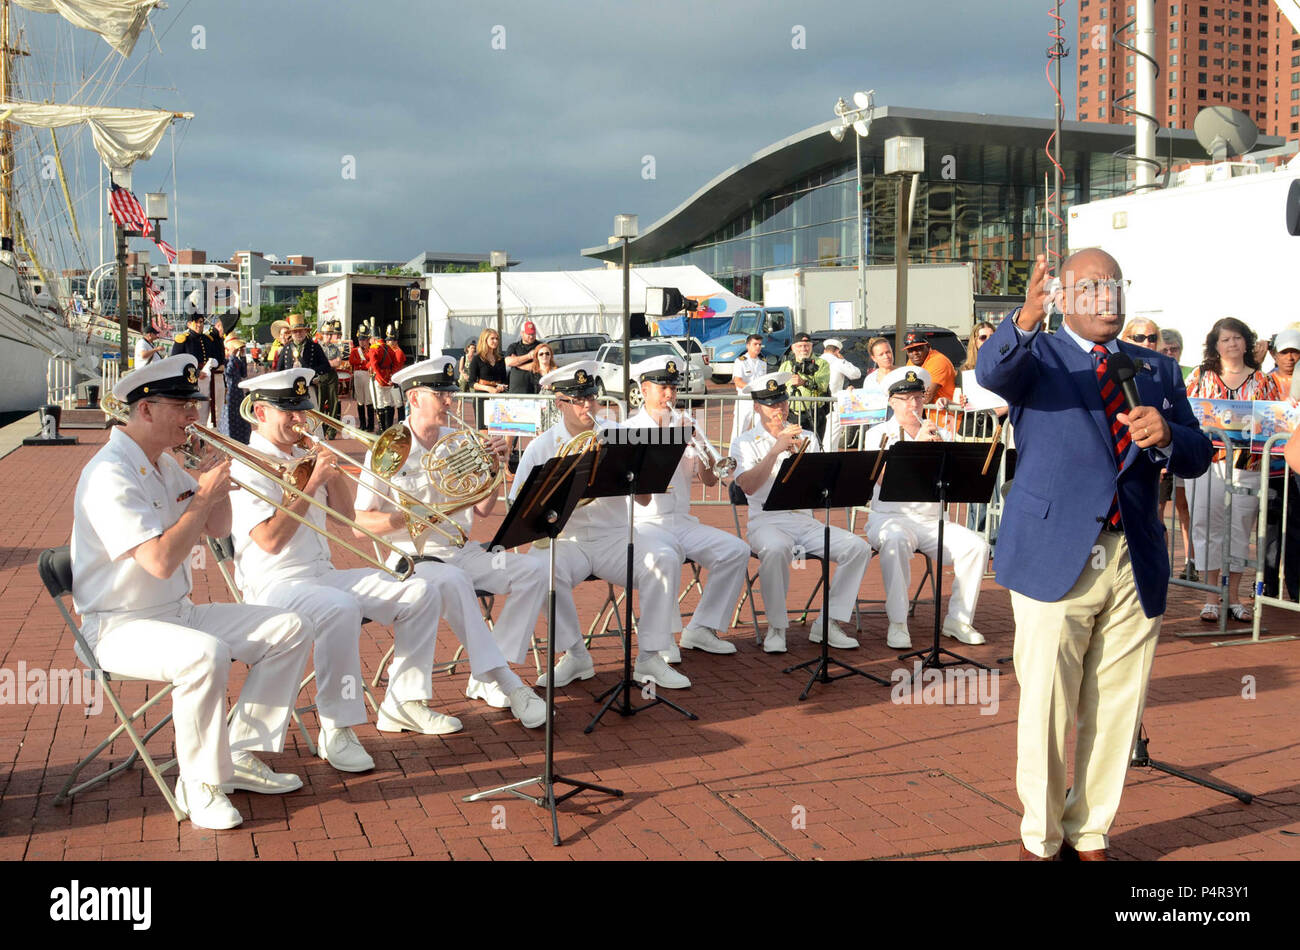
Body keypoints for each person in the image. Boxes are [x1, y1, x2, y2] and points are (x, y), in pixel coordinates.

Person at [976, 249, 1212, 861]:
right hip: (1056, 556)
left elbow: (1198, 452)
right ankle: (1042, 836)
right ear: (1068, 297)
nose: (1107, 297)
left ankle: (1091, 830)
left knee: (1116, 703)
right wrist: (1026, 315)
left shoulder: (1156, 369)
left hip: (1135, 556)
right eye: (1091, 287)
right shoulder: (1038, 356)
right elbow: (991, 372)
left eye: (1115, 285)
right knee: (1049, 703)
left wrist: (1170, 433)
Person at [71, 355, 313, 830]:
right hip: (119, 625)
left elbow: (218, 526)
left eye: (194, 404)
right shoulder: (109, 473)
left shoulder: (162, 462)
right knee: (205, 655)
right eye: (182, 406)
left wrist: (217, 488)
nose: (195, 416)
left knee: (290, 627)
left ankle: (240, 753)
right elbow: (160, 562)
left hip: (175, 612)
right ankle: (198, 781)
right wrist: (201, 497)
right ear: (145, 410)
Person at [352, 357, 547, 728]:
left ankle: (487, 675)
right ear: (413, 399)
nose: (450, 401)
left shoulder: (457, 442)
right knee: (454, 581)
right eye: (440, 394)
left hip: (461, 552)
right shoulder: (386, 449)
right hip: (413, 559)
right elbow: (360, 524)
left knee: (533, 570)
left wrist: (493, 468)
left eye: (450, 393)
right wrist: (404, 518)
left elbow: (486, 509)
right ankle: (507, 682)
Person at [511, 361, 688, 691]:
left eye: (591, 396)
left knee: (664, 557)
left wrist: (637, 474)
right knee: (542, 569)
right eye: (578, 400)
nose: (588, 406)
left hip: (615, 535)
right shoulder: (541, 447)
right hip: (567, 539)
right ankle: (576, 655)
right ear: (560, 403)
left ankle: (650, 656)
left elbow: (645, 501)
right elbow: (519, 504)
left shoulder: (620, 434)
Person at [730, 371, 871, 654]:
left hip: (805, 520)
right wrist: (774, 451)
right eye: (771, 404)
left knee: (858, 548)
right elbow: (746, 486)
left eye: (782, 402)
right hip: (766, 520)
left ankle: (828, 623)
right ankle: (777, 627)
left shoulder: (806, 436)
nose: (779, 409)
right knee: (776, 548)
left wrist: (802, 460)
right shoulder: (744, 442)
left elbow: (818, 487)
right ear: (757, 407)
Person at [624, 355, 749, 660]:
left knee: (736, 551)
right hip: (645, 521)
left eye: (672, 387)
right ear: (644, 387)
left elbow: (708, 479)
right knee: (665, 557)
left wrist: (703, 448)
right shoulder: (629, 429)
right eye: (662, 387)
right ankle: (663, 636)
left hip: (682, 521)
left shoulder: (688, 424)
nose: (669, 394)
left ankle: (701, 628)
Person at [862, 366, 989, 650]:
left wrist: (945, 454)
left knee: (976, 547)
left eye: (918, 397)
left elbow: (957, 480)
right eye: (906, 399)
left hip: (932, 521)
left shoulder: (940, 431)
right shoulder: (877, 435)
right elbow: (882, 479)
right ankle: (897, 622)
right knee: (894, 541)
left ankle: (958, 619)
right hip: (890, 518)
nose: (914, 404)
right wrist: (915, 449)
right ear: (891, 401)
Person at [1185, 316, 1280, 622]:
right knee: (1205, 526)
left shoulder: (1263, 381)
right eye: (1224, 340)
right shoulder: (1200, 376)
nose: (1231, 344)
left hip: (1246, 465)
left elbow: (1273, 422)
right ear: (1215, 345)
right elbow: (1185, 411)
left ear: (1246, 342)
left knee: (1238, 530)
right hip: (1206, 464)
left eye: (1237, 338)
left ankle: (1235, 596)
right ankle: (1212, 597)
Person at [1157, 327, 1196, 579]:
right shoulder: (1156, 370)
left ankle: (1191, 561)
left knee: (1185, 508)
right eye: (1166, 349)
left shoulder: (1190, 374)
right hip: (1161, 455)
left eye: (1175, 349)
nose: (1171, 353)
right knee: (1157, 510)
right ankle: (1160, 562)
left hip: (1180, 450)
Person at [171, 313, 225, 426]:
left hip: (207, 379)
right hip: (191, 381)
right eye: (197, 322)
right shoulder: (184, 339)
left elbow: (217, 357)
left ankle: (204, 437)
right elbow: (176, 362)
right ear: (189, 324)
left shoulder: (207, 339)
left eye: (201, 322)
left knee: (208, 411)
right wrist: (196, 373)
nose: (200, 325)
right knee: (194, 412)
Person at [778, 332, 830, 435]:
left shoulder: (821, 363)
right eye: (800, 346)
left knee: (814, 447)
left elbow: (823, 386)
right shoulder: (786, 365)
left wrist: (804, 383)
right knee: (792, 447)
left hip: (814, 413)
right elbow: (778, 388)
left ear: (811, 347)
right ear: (793, 348)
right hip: (791, 414)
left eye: (806, 346)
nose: (803, 349)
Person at [821, 337, 862, 450]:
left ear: (825, 350)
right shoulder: (838, 362)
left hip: (817, 405)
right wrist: (844, 360)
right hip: (833, 405)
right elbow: (856, 374)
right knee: (831, 440)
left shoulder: (817, 360)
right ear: (837, 351)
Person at [466, 327, 508, 430]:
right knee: (483, 430)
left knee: (501, 429)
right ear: (485, 340)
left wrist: (501, 387)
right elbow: (471, 382)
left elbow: (504, 379)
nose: (495, 341)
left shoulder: (500, 359)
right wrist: (488, 389)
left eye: (497, 339)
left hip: (498, 397)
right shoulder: (477, 359)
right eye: (492, 338)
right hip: (482, 397)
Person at [902, 331, 956, 408]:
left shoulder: (938, 361)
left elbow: (927, 399)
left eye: (919, 348)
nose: (915, 353)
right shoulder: (912, 362)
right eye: (910, 350)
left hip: (946, 415)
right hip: (928, 415)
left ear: (928, 346)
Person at [730, 334, 766, 444]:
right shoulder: (741, 361)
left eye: (760, 344)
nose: (758, 347)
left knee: (761, 430)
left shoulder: (763, 362)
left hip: (759, 401)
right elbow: (738, 381)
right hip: (745, 401)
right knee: (739, 431)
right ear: (748, 346)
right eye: (755, 344)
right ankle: (733, 458)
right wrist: (753, 389)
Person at [367, 325, 400, 432]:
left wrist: (380, 377)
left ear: (374, 338)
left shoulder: (374, 349)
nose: (369, 341)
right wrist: (390, 376)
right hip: (388, 378)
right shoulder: (389, 348)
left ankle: (381, 429)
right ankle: (388, 428)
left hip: (378, 379)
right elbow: (395, 363)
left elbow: (374, 365)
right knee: (388, 403)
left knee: (379, 404)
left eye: (370, 339)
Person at [224, 331, 250, 445]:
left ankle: (243, 439)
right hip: (229, 392)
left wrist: (243, 355)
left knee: (241, 415)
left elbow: (244, 373)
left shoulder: (237, 360)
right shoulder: (226, 360)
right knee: (230, 416)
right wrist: (233, 356)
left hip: (238, 392)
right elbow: (228, 372)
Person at [504, 320, 543, 394]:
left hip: (535, 389)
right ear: (522, 333)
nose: (531, 336)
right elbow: (508, 362)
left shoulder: (540, 346)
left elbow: (537, 365)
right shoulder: (514, 346)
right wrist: (529, 356)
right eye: (528, 334)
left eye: (533, 334)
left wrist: (517, 364)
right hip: (516, 390)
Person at [349, 323, 376, 432]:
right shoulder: (355, 350)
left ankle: (370, 425)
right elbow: (351, 361)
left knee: (368, 400)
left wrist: (361, 362)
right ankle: (362, 424)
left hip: (367, 375)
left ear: (368, 339)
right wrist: (362, 361)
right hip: (358, 375)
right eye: (360, 339)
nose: (362, 342)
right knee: (360, 400)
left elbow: (372, 363)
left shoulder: (371, 350)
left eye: (364, 339)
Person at [385, 326, 407, 421]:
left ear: (395, 341)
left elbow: (396, 368)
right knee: (390, 404)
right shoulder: (389, 351)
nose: (387, 342)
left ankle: (401, 424)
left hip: (395, 381)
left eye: (389, 340)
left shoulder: (398, 352)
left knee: (399, 404)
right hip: (390, 381)